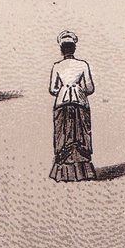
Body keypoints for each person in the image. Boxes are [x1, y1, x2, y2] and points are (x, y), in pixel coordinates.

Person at [48, 32, 97, 181]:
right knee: (81, 136)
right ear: (74, 48)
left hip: (62, 103)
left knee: (63, 136)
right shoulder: (82, 65)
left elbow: (52, 89)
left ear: (62, 50)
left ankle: (63, 173)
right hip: (80, 103)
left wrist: (64, 90)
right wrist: (78, 91)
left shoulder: (57, 66)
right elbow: (89, 88)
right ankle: (84, 172)